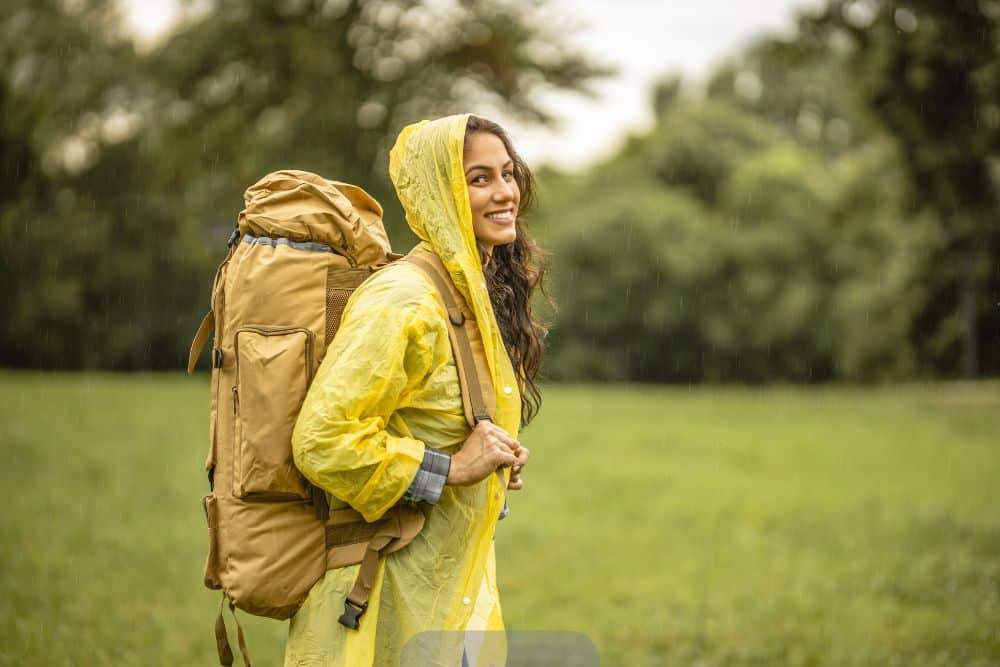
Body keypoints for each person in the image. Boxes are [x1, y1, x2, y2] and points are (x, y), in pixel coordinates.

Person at [285, 113, 550, 666]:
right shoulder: (404, 300)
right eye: (479, 179)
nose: (505, 192)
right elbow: (321, 440)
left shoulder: (467, 294)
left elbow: (439, 424)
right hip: (382, 606)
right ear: (441, 191)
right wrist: (451, 468)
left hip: (452, 603)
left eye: (507, 173)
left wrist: (491, 459)